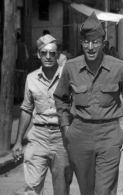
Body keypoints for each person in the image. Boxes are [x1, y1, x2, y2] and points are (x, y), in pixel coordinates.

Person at [53, 12, 123, 195]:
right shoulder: (71, 67)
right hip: (79, 134)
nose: (91, 47)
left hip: (109, 134)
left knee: (103, 190)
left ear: (103, 42)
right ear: (81, 42)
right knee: (87, 190)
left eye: (95, 42)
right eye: (86, 42)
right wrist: (66, 127)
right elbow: (61, 97)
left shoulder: (119, 68)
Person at [11, 34, 72, 195]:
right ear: (38, 54)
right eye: (44, 52)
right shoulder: (31, 79)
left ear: (58, 55)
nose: (48, 56)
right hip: (38, 136)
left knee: (62, 189)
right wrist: (18, 141)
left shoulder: (68, 78)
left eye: (52, 53)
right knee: (32, 188)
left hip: (61, 139)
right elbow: (26, 109)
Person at [14, 32, 29, 104]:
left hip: (16, 67)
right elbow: (27, 56)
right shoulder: (23, 45)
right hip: (23, 68)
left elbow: (15, 57)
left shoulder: (15, 45)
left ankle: (16, 98)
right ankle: (21, 97)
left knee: (16, 84)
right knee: (22, 84)